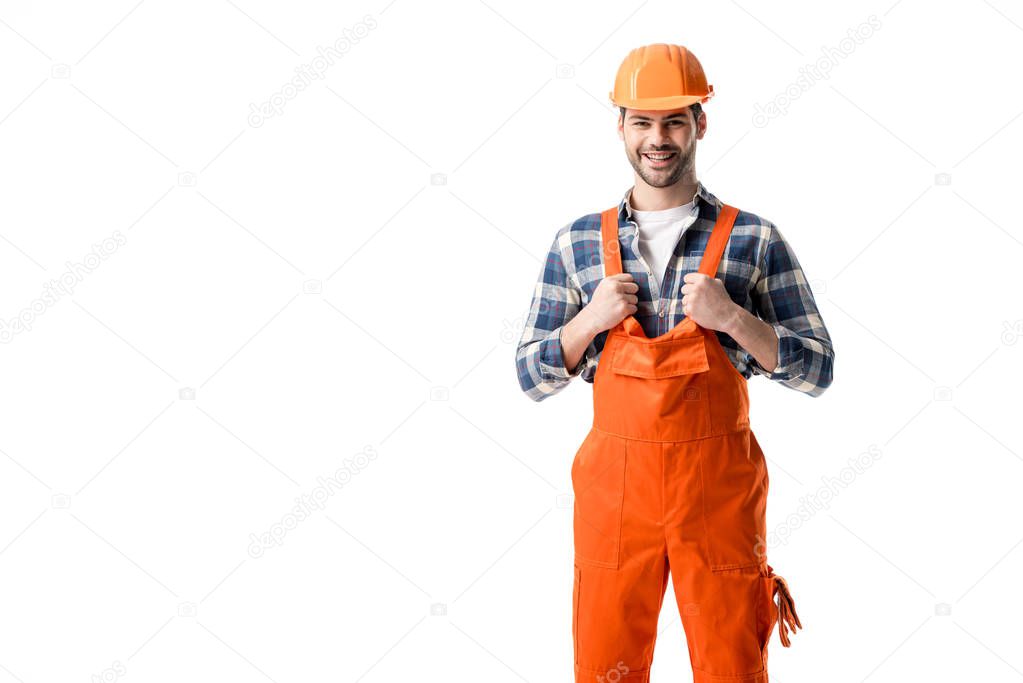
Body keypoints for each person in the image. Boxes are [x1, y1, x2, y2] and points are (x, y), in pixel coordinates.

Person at [514, 43, 834, 682]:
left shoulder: (754, 238)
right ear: (621, 126)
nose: (657, 138)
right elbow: (531, 376)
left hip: (717, 491)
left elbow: (817, 370)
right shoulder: (579, 242)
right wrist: (589, 321)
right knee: (607, 663)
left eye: (674, 121)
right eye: (642, 121)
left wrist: (734, 319)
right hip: (616, 492)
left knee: (732, 664)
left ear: (700, 124)